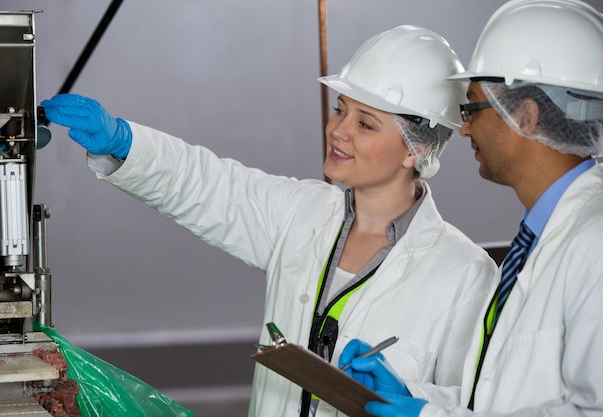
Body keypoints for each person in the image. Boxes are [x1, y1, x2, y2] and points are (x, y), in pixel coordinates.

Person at [41, 25, 497, 417]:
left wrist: (410, 399)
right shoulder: (303, 213)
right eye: (341, 109)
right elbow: (208, 185)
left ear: (417, 149)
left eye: (366, 123)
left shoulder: (464, 274)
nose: (338, 130)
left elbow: (472, 403)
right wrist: (123, 143)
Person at [339, 0, 603, 416]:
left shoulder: (594, 242)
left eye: (473, 107)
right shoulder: (542, 236)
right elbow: (502, 396)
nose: (463, 128)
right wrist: (416, 395)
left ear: (525, 117)